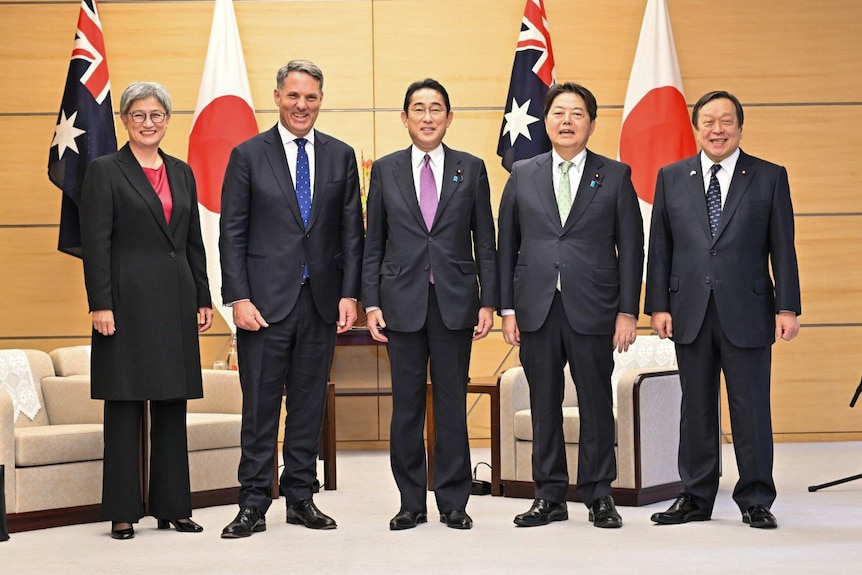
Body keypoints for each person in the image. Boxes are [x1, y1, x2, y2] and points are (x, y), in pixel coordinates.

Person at [219, 60, 364, 538]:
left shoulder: (341, 155)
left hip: (321, 301)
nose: (303, 105)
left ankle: (301, 497)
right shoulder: (247, 154)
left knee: (307, 405)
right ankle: (253, 503)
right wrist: (237, 296)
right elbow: (232, 233)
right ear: (277, 96)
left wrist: (350, 294)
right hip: (262, 304)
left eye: (312, 97)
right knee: (259, 407)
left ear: (321, 100)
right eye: (294, 96)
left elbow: (351, 233)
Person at [645, 90, 801, 529]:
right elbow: (660, 246)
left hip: (749, 309)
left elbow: (782, 248)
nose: (717, 129)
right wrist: (657, 305)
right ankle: (694, 496)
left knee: (750, 408)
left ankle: (755, 497)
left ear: (739, 127)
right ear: (696, 128)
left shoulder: (769, 176)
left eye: (726, 121)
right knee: (695, 408)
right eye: (708, 122)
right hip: (689, 308)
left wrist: (787, 306)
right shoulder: (672, 177)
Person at [497, 82, 643, 529]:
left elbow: (632, 248)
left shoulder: (615, 175)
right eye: (559, 112)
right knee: (543, 401)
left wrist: (626, 311)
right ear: (546, 121)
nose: (566, 121)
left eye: (577, 113)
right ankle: (550, 495)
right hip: (536, 306)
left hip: (594, 307)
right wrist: (507, 309)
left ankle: (599, 495)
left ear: (591, 124)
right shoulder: (523, 172)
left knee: (597, 400)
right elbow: (507, 246)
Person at [362, 79, 497, 531]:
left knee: (452, 403)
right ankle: (410, 502)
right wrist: (371, 302)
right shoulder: (385, 169)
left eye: (435, 108)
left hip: (456, 302)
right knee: (406, 407)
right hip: (400, 302)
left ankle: (454, 501)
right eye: (418, 109)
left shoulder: (471, 169)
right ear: (404, 118)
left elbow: (487, 243)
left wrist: (489, 302)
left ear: (449, 117)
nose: (427, 116)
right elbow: (372, 243)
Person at [80, 81, 213, 540]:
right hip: (125, 304)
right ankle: (122, 510)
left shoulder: (181, 172)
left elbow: (192, 240)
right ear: (124, 120)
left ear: (167, 120)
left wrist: (202, 296)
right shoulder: (104, 170)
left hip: (175, 302)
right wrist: (101, 303)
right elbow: (95, 244)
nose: (148, 123)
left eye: (157, 114)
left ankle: (173, 507)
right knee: (124, 406)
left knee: (172, 404)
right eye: (139, 114)